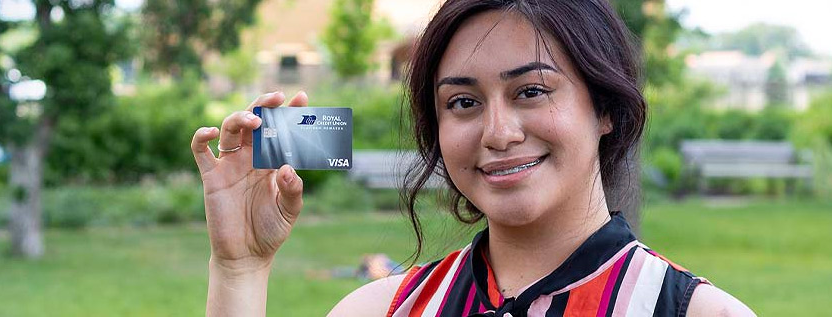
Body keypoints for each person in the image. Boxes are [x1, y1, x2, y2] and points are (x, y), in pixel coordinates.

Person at [190, 0, 755, 316]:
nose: (498, 132)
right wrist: (240, 269)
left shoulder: (694, 314)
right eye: (462, 102)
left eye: (531, 91)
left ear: (603, 107)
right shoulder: (379, 311)